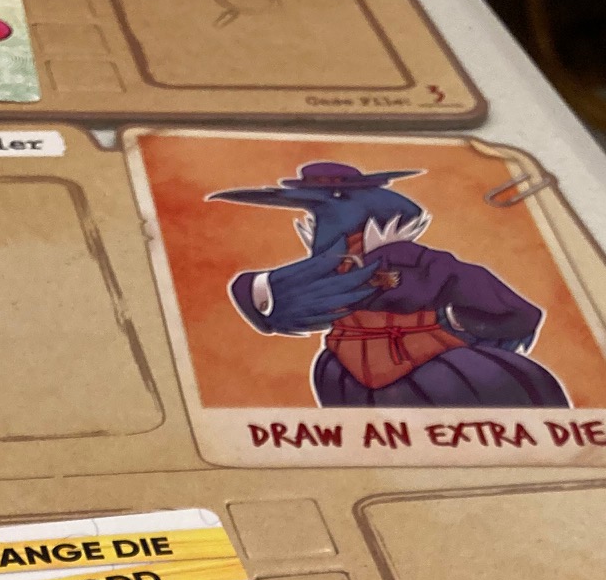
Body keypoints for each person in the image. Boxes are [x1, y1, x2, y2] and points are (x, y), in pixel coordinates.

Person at [214, 161, 570, 409]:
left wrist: (450, 321)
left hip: (439, 370)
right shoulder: (326, 268)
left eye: (330, 199)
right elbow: (260, 296)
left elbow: (519, 314)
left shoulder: (429, 264)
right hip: (346, 376)